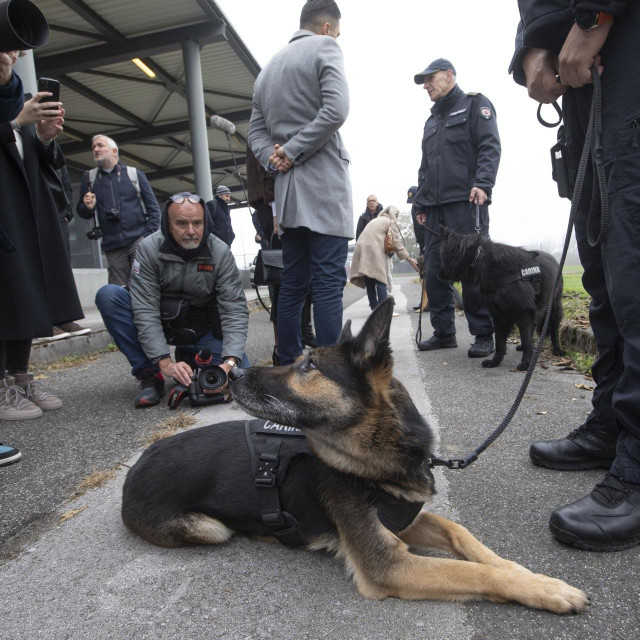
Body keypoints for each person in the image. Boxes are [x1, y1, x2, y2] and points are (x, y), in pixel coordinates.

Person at [511, 0, 640, 551]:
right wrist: (530, 48)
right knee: (604, 266)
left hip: (621, 34)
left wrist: (595, 15)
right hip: (582, 70)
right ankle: (613, 423)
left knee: (634, 267)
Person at [248, 0, 353, 366]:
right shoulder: (325, 47)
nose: (337, 37)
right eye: (337, 31)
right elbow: (336, 110)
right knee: (326, 281)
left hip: (288, 191)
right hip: (323, 185)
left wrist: (274, 158)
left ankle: (287, 360)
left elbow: (255, 131)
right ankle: (329, 369)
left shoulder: (268, 70)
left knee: (292, 281)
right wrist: (292, 151)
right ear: (326, 28)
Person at [95, 192, 250, 408]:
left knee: (239, 376)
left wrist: (229, 362)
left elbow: (234, 309)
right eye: (181, 223)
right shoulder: (148, 249)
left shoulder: (221, 253)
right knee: (109, 296)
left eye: (197, 223)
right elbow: (145, 310)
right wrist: (164, 362)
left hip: (201, 328)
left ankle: (190, 355)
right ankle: (151, 374)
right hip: (162, 322)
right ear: (168, 225)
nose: (191, 231)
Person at [1, 51, 84, 427]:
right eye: (2, 48)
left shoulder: (21, 101)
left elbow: (40, 162)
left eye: (13, 50)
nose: (8, 56)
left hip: (24, 210)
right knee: (7, 292)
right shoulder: (19, 112)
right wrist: (18, 122)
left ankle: (18, 378)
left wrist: (44, 137)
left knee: (25, 293)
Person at [412, 58, 501, 358]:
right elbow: (425, 167)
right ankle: (444, 332)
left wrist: (484, 184)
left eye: (430, 78)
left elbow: (490, 146)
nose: (426, 85)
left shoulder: (476, 105)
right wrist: (421, 202)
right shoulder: (431, 121)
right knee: (436, 270)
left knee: (474, 269)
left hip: (466, 202)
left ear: (449, 75)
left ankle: (484, 333)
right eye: (423, 81)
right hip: (435, 210)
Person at [76, 134, 161, 286]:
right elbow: (82, 211)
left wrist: (146, 238)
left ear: (114, 151)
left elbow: (154, 209)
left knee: (144, 284)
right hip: (112, 245)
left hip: (138, 241)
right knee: (119, 290)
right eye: (93, 147)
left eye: (100, 145)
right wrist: (88, 207)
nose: (96, 149)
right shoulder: (89, 178)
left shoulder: (134, 174)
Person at [350, 205, 418, 310]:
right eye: (397, 215)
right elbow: (396, 243)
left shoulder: (376, 220)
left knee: (369, 279)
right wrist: (409, 259)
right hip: (374, 249)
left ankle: (374, 307)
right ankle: (383, 310)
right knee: (380, 280)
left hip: (362, 248)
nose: (397, 218)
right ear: (393, 214)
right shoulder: (390, 222)